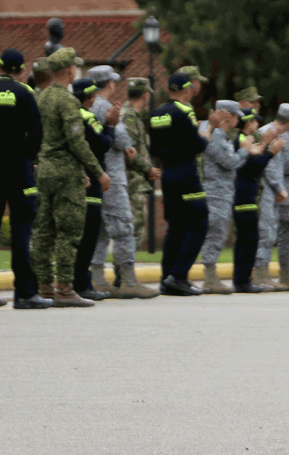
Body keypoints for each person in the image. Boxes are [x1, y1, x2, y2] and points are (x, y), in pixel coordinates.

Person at [0, 47, 49, 309]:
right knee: (22, 228)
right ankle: (25, 293)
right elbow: (36, 134)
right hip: (18, 168)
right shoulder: (24, 93)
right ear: (21, 70)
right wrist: (27, 158)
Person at [33, 47, 107, 308]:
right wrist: (98, 172)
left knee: (44, 231)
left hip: (44, 171)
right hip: (66, 173)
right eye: (75, 66)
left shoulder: (40, 98)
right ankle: (64, 288)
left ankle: (44, 286)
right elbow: (77, 142)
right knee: (69, 231)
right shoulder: (67, 101)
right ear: (68, 70)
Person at [84, 65, 154, 298]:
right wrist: (128, 146)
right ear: (110, 83)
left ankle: (97, 278)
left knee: (102, 229)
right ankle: (128, 279)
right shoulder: (105, 106)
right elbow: (122, 137)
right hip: (112, 175)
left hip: (97, 174)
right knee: (124, 226)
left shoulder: (89, 104)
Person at [150, 72, 211, 296]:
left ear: (169, 89)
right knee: (199, 222)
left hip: (168, 174)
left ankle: (167, 278)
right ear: (187, 90)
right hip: (186, 174)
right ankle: (178, 275)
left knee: (175, 226)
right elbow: (197, 145)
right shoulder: (185, 111)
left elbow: (154, 148)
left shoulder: (157, 113)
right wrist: (207, 131)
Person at [200, 100, 263, 293]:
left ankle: (210, 276)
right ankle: (209, 277)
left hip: (223, 193)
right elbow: (230, 162)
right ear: (229, 117)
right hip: (216, 193)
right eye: (237, 116)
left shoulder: (223, 137)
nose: (239, 120)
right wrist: (244, 149)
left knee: (218, 234)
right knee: (215, 235)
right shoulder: (217, 137)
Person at [71, 78, 116, 302]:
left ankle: (71, 283)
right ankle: (81, 284)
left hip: (71, 181)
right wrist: (110, 125)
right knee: (88, 235)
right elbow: (104, 144)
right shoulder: (88, 117)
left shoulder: (68, 115)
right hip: (90, 181)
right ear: (90, 97)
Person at [256, 104, 289, 289]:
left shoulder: (281, 135)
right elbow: (268, 165)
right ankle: (259, 274)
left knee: (271, 231)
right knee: (265, 232)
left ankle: (263, 273)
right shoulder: (267, 133)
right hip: (265, 189)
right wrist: (278, 188)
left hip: (272, 190)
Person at [232, 110, 272, 292]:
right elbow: (251, 167)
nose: (257, 124)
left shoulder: (243, 140)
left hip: (246, 193)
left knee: (247, 238)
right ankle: (242, 280)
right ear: (249, 123)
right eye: (255, 121)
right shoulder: (242, 141)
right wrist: (269, 150)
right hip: (244, 194)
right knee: (248, 238)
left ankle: (242, 279)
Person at [122, 77, 160, 254]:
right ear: (145, 95)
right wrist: (149, 168)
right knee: (133, 228)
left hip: (136, 180)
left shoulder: (132, 116)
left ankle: (125, 267)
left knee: (134, 228)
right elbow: (129, 151)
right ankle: (124, 268)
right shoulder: (128, 117)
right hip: (131, 182)